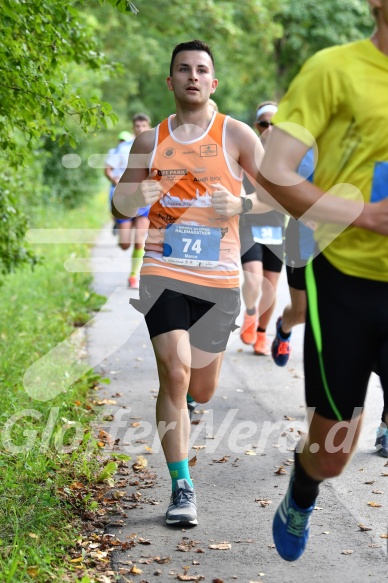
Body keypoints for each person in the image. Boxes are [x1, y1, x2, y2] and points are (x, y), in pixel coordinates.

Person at [112, 39, 265, 527]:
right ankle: (181, 486)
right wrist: (139, 192)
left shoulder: (238, 136)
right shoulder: (150, 141)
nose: (193, 76)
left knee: (202, 383)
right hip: (162, 270)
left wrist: (240, 205)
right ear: (171, 80)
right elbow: (120, 203)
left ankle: (195, 403)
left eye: (202, 70)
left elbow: (277, 197)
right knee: (173, 373)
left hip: (218, 278)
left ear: (213, 82)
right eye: (184, 69)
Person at [257, 0, 388, 561]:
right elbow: (273, 169)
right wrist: (362, 215)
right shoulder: (334, 69)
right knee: (333, 451)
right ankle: (303, 489)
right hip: (347, 282)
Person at [239, 102, 286, 355]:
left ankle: (261, 335)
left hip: (276, 228)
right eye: (264, 123)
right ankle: (249, 312)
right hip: (248, 224)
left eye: (275, 124)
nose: (269, 128)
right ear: (257, 126)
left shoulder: (289, 158)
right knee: (253, 279)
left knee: (270, 287)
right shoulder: (247, 151)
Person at [271, 149, 315, 366]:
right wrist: (300, 211)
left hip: (347, 247)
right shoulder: (302, 149)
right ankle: (284, 326)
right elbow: (275, 193)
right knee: (302, 313)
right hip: (303, 244)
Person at [105, 113, 152, 288]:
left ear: (149, 126)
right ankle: (120, 227)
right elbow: (108, 169)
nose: (140, 129)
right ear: (133, 128)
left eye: (143, 126)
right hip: (124, 200)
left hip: (145, 201)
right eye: (137, 126)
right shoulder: (123, 148)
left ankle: (134, 276)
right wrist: (114, 180)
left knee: (140, 239)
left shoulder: (155, 147)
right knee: (125, 244)